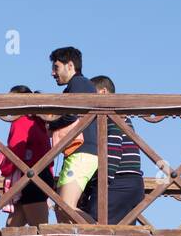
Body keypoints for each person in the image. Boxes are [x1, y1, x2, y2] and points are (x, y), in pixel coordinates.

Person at [79, 76, 146, 225]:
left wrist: (101, 184)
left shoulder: (111, 116)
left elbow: (113, 149)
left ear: (103, 92)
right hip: (132, 184)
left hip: (117, 183)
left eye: (91, 94)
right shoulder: (121, 117)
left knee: (97, 228)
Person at [0, 85, 53, 227]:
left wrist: (2, 167)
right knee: (13, 226)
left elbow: (16, 152)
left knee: (40, 228)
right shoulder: (39, 123)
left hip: (30, 176)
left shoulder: (21, 121)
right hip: (42, 174)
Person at [45, 46, 98, 220]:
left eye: (56, 67)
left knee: (65, 207)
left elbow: (71, 115)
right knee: (61, 209)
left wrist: (50, 125)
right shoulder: (78, 85)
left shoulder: (79, 82)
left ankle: (102, 235)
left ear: (70, 65)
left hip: (82, 152)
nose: (53, 73)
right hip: (78, 152)